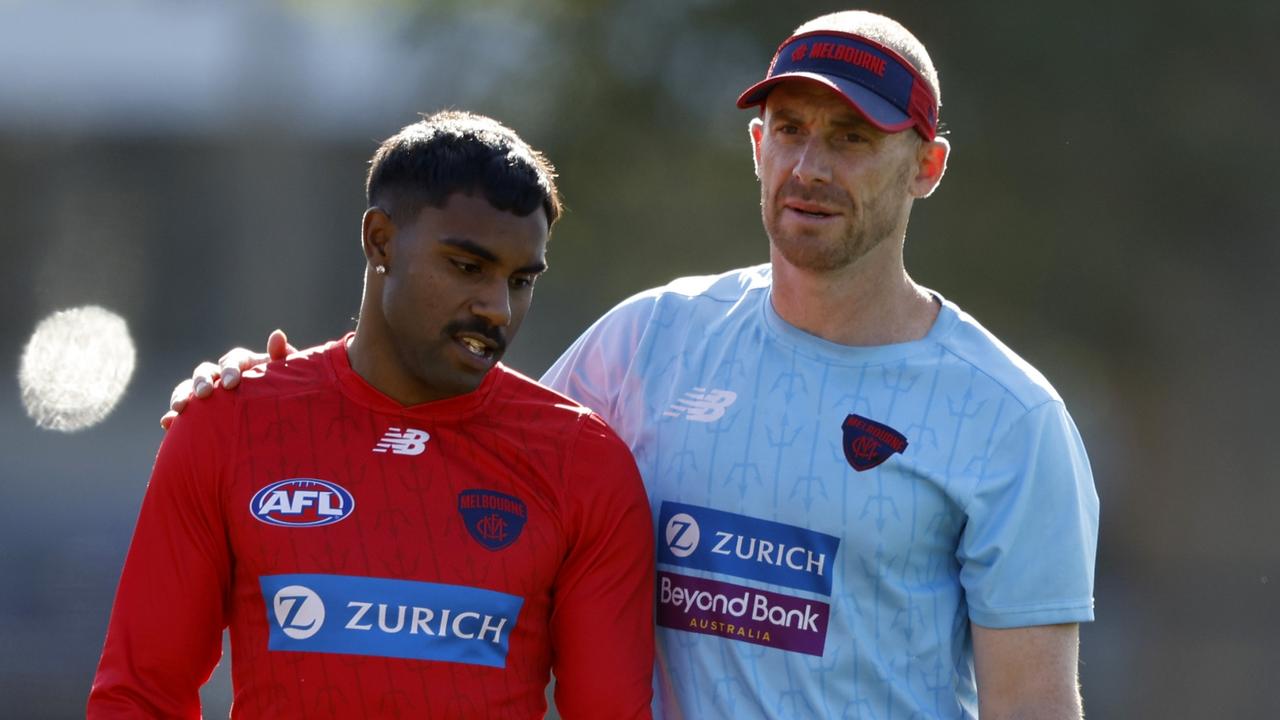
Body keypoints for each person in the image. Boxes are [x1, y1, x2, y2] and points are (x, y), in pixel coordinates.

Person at [170, 10, 1099, 719]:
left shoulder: (1008, 419)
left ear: (926, 166)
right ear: (755, 144)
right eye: (789, 129)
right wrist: (270, 392)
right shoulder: (649, 341)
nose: (810, 164)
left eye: (853, 138)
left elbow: (1033, 706)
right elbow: (456, 442)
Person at [90, 111, 656, 719]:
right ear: (380, 240)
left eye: (520, 280)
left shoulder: (584, 463)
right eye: (468, 267)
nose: (497, 308)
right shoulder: (228, 424)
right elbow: (140, 696)